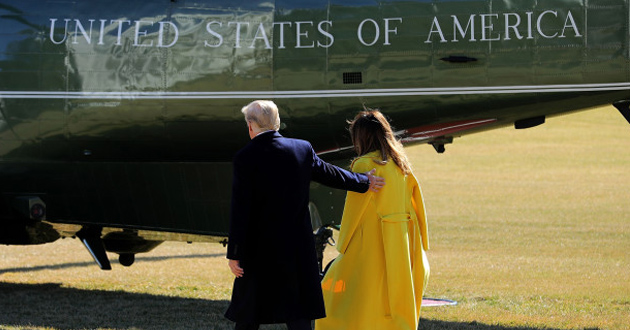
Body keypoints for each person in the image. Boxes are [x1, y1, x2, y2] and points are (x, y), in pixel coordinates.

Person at [225, 100, 385, 330]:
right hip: (296, 247)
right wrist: (364, 181)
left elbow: (240, 210)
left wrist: (234, 253)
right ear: (277, 123)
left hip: (257, 250)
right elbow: (330, 174)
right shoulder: (301, 149)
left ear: (250, 126)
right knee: (298, 313)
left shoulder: (244, 157)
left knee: (249, 313)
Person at [315, 109, 430, 330]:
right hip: (402, 242)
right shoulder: (401, 164)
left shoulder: (364, 165)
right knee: (392, 300)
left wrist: (343, 246)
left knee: (342, 295)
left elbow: (353, 211)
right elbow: (415, 204)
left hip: (372, 241)